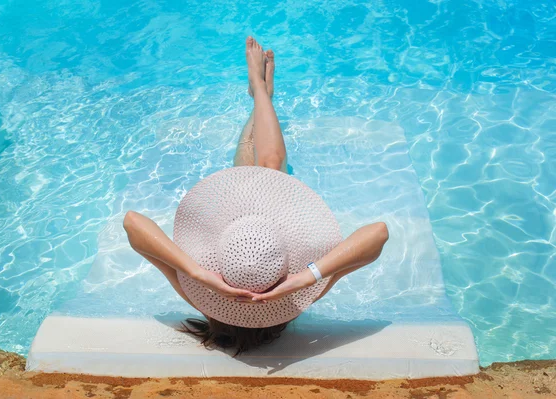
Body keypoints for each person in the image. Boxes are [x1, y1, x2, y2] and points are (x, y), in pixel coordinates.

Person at [123, 37, 389, 356]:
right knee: (270, 166)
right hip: (270, 226)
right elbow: (377, 234)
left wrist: (197, 273)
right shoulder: (295, 300)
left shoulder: (199, 294)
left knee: (265, 164)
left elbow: (133, 224)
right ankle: (262, 94)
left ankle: (261, 95)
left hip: (236, 226)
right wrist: (307, 278)